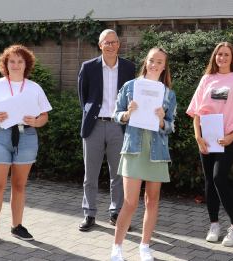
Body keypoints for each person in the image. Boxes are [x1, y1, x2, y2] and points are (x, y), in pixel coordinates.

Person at [0, 45, 52, 249]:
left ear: (26, 64)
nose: (16, 65)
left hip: (26, 136)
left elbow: (44, 115)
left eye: (20, 61)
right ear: (5, 64)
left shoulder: (34, 87)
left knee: (19, 185)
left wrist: (37, 122)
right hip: (0, 136)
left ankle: (16, 226)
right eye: (12, 61)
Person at [111, 47, 177, 261]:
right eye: (151, 60)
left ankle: (145, 246)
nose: (154, 65)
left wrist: (161, 121)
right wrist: (128, 113)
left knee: (152, 201)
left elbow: (170, 127)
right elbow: (116, 115)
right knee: (130, 202)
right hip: (134, 148)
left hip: (157, 150)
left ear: (164, 66)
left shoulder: (169, 94)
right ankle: (117, 248)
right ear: (146, 62)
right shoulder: (130, 87)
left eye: (159, 62)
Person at [186, 42, 233, 247]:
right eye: (219, 54)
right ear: (214, 57)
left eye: (226, 54)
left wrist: (232, 136)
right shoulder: (207, 79)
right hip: (207, 137)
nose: (222, 58)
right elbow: (196, 111)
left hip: (227, 137)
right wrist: (198, 136)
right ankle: (214, 225)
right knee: (208, 181)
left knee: (218, 178)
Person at [77, 29, 135, 231]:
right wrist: (90, 114)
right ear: (100, 45)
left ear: (119, 44)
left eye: (113, 42)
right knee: (90, 174)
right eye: (106, 42)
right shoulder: (88, 67)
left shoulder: (128, 67)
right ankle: (89, 214)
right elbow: (83, 97)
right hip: (94, 125)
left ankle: (116, 213)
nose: (110, 45)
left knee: (118, 174)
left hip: (119, 126)